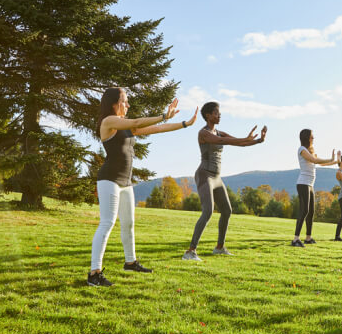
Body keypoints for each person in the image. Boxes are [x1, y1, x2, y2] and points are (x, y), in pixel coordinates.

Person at [89, 88, 198, 287]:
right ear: (114, 104)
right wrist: (163, 115)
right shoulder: (109, 121)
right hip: (109, 179)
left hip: (125, 182)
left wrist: (184, 124)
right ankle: (94, 273)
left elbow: (157, 129)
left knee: (128, 224)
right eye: (125, 101)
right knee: (107, 223)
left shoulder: (125, 126)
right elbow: (137, 122)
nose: (128, 105)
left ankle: (130, 262)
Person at [182, 102, 267, 261]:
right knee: (208, 211)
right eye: (216, 113)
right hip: (205, 175)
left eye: (219, 113)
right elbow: (222, 142)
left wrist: (258, 141)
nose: (219, 115)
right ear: (208, 115)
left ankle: (219, 248)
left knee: (227, 210)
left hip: (217, 178)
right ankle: (190, 251)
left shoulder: (219, 133)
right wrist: (245, 138)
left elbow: (239, 143)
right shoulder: (204, 133)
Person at [292, 129, 339, 247]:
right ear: (306, 138)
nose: (313, 138)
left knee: (311, 212)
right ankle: (295, 239)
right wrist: (330, 158)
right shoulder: (302, 150)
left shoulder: (311, 151)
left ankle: (308, 237)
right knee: (304, 210)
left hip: (310, 184)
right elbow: (314, 160)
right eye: (312, 137)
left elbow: (321, 163)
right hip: (303, 184)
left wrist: (335, 161)